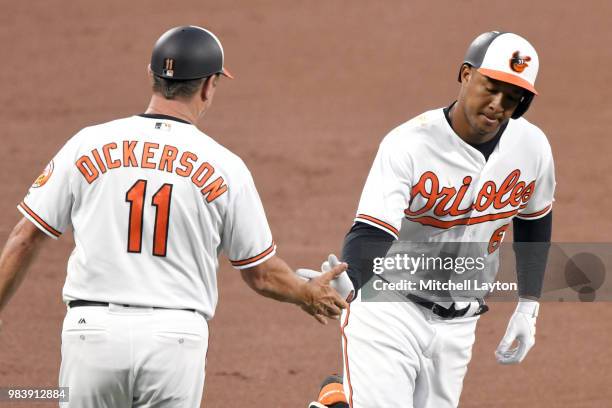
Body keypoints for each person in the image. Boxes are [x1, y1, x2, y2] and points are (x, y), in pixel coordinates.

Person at [0, 25, 348, 408]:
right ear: (207, 86)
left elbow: (24, 237)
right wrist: (307, 294)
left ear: (152, 77)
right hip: (174, 340)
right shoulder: (225, 166)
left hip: (92, 334)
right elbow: (262, 273)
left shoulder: (88, 143)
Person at [306, 31, 555, 408]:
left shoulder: (532, 146)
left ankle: (337, 401)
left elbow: (535, 220)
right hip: (388, 310)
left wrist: (528, 305)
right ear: (466, 74)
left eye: (513, 97)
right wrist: (353, 279)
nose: (498, 104)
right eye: (492, 87)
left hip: (461, 324)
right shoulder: (408, 144)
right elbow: (372, 229)